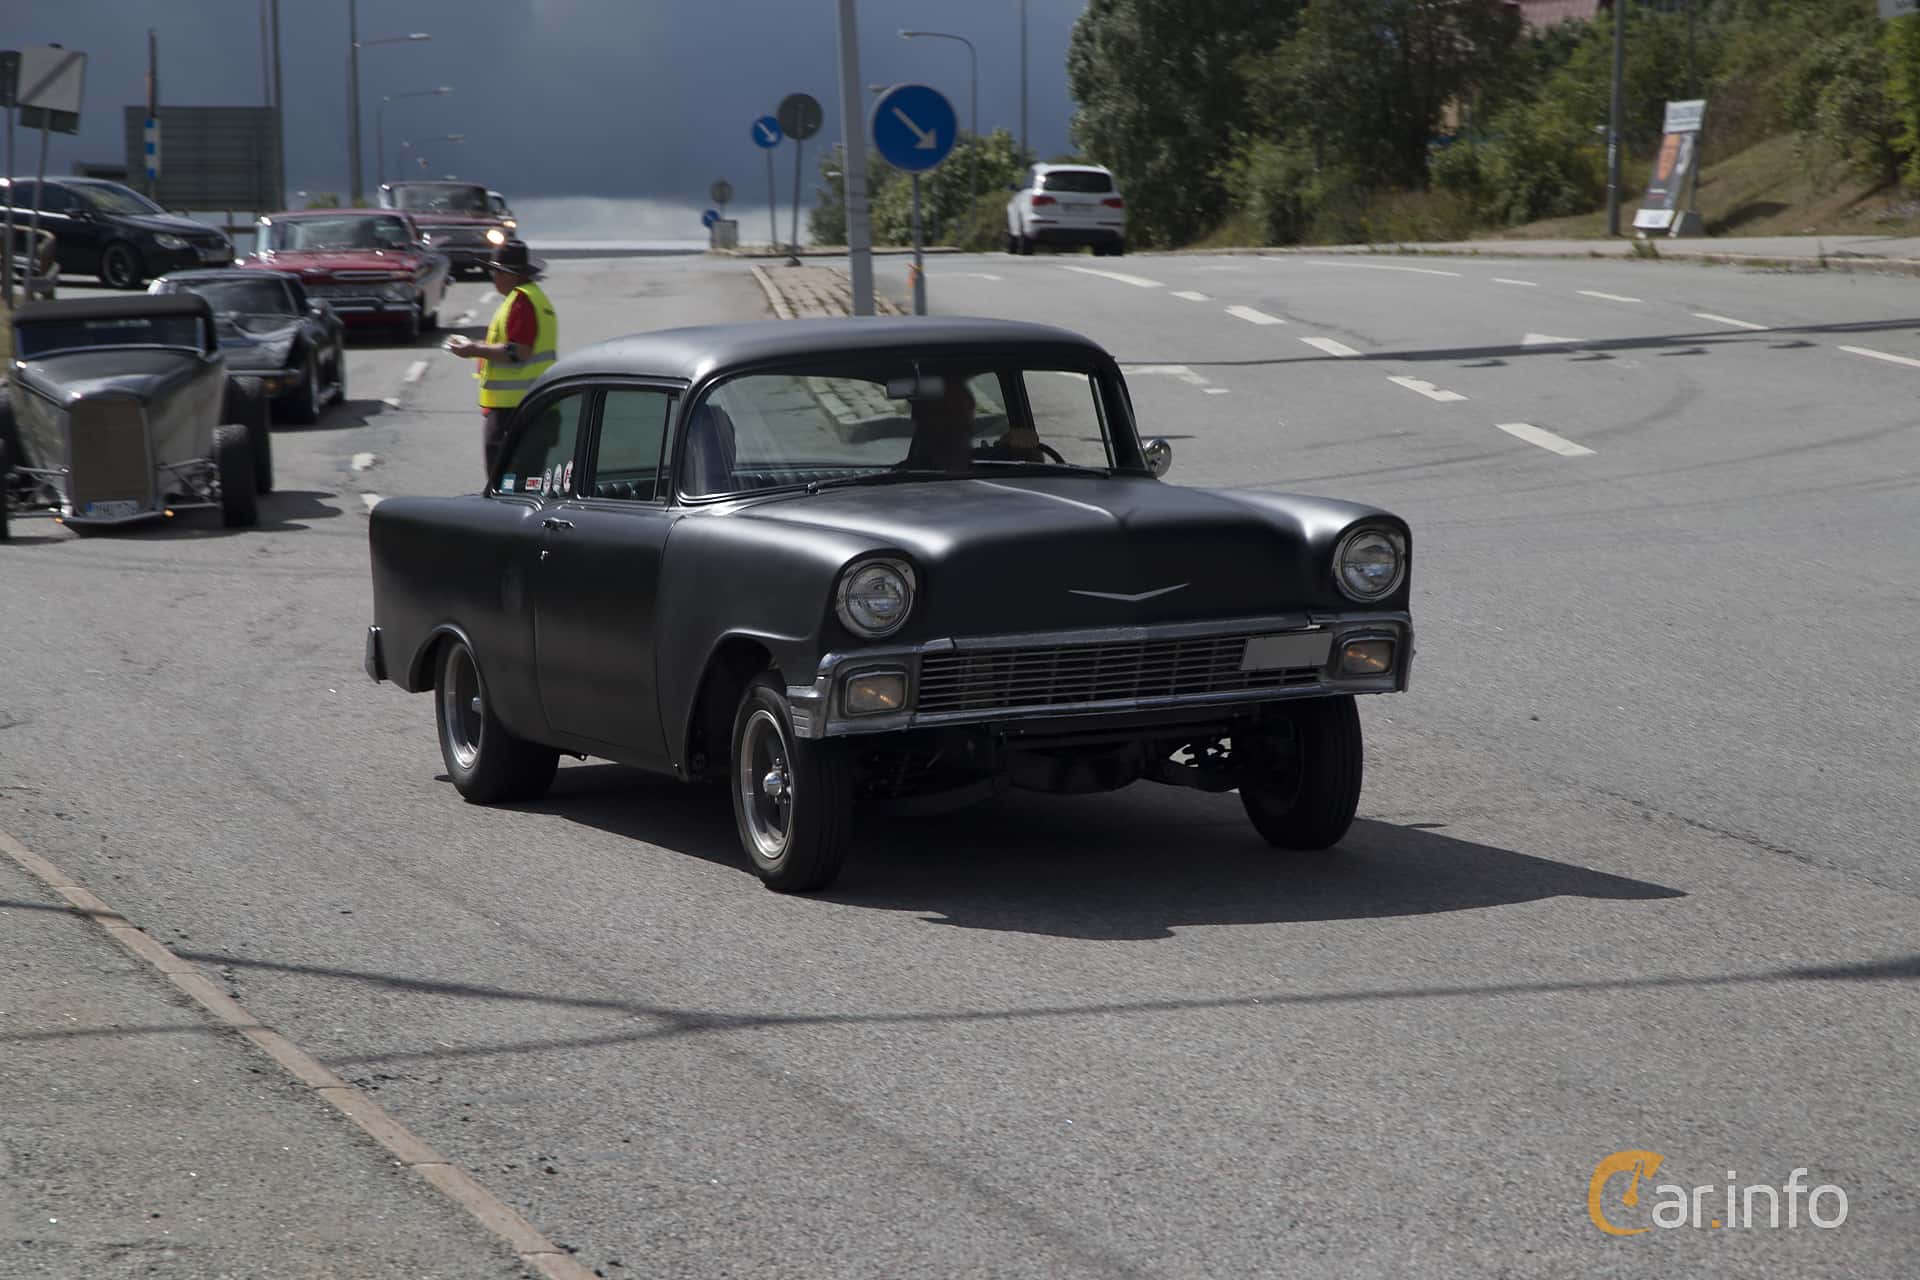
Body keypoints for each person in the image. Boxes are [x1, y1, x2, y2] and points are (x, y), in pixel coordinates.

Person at [444, 238, 558, 477]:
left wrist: (473, 349)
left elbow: (519, 351)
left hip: (512, 411)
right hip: (526, 407)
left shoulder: (522, 301)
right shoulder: (531, 297)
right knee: (521, 484)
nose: (492, 277)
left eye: (494, 271)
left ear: (508, 274)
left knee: (504, 484)